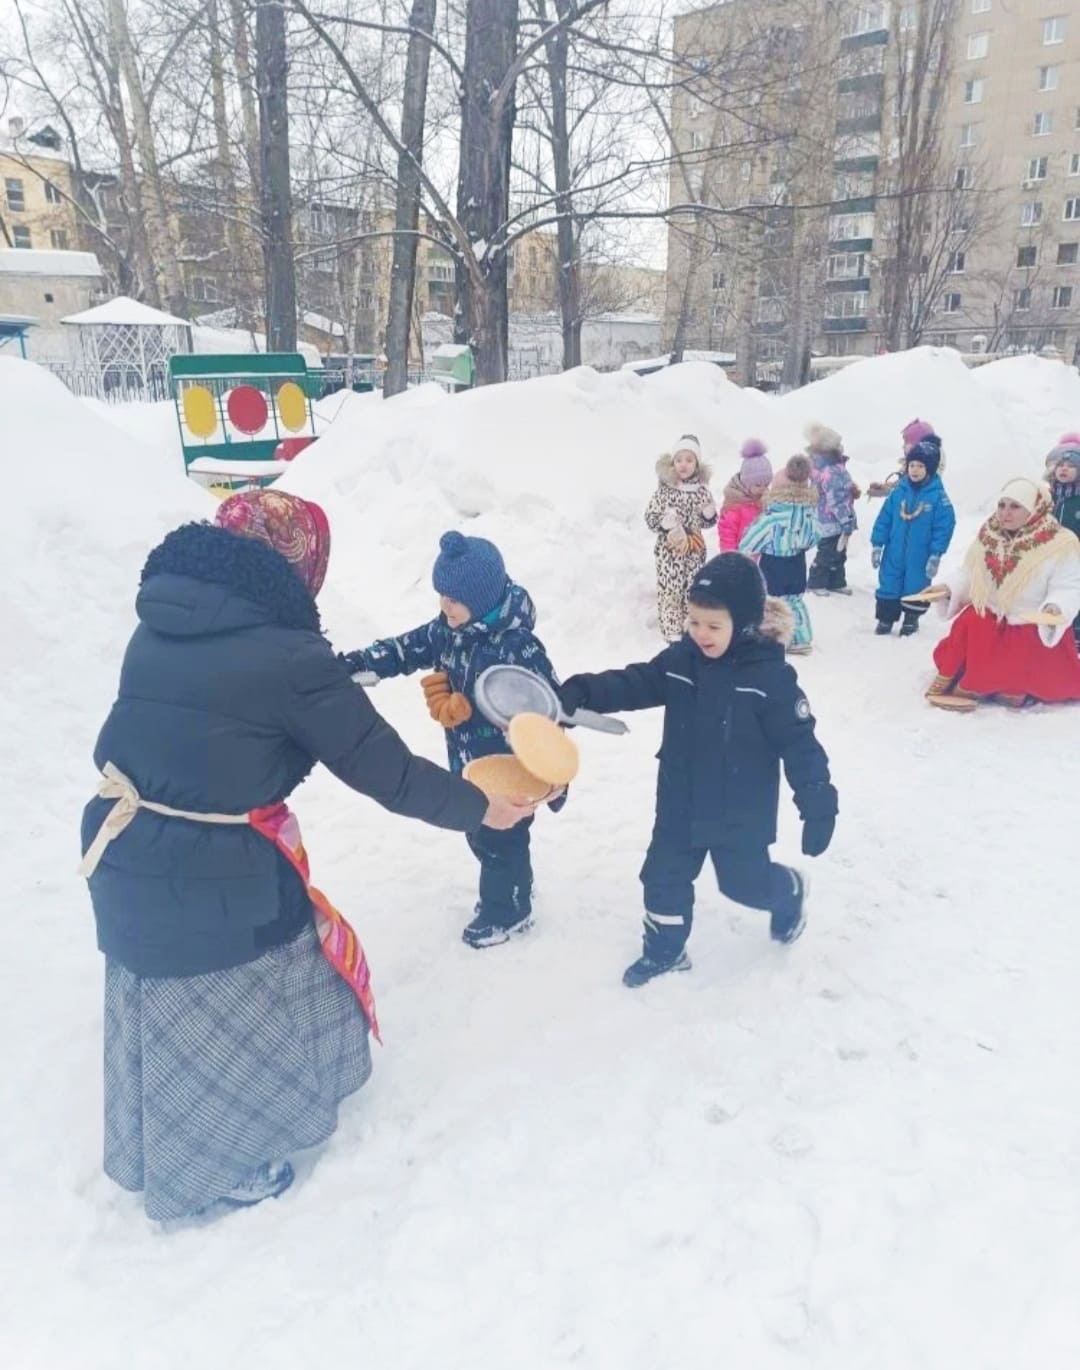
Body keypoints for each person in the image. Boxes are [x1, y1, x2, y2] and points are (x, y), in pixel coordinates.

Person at [79, 492, 530, 1222]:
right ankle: (219, 1161)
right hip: (213, 869)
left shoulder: (161, 620)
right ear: (296, 565)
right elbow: (387, 771)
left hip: (122, 845)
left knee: (176, 999)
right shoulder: (289, 655)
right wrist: (482, 806)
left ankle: (173, 1131)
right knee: (236, 1002)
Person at [558, 554, 838, 988]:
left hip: (739, 811)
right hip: (681, 799)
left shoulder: (770, 680)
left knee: (743, 884)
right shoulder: (682, 660)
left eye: (713, 626)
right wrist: (586, 690)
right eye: (694, 622)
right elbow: (637, 681)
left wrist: (819, 803)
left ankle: (788, 891)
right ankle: (665, 951)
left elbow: (800, 745)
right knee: (662, 878)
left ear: (743, 624)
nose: (700, 634)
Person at [342, 530, 563, 949]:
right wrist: (358, 663)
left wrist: (551, 766)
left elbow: (551, 705)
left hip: (511, 766)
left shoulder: (516, 645)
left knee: (501, 839)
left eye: (454, 599)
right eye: (442, 596)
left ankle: (507, 911)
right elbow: (404, 649)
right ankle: (515, 885)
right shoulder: (446, 630)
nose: (445, 606)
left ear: (482, 599)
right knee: (480, 832)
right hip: (469, 762)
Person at [926, 478, 1080, 710]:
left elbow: (1068, 586)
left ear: (1033, 509)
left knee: (1021, 643)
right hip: (993, 616)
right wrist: (947, 588)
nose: (1005, 513)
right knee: (974, 619)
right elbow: (970, 573)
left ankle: (1007, 687)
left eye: (1015, 506)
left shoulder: (1060, 542)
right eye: (1002, 505)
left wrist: (1054, 608)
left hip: (1029, 620)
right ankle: (972, 679)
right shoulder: (990, 534)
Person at [870, 433, 956, 637]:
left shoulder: (938, 497)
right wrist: (877, 544)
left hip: (920, 554)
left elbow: (944, 526)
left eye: (920, 466)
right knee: (889, 582)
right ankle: (886, 618)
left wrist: (936, 553)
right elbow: (884, 518)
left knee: (916, 585)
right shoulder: (898, 492)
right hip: (894, 551)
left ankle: (911, 619)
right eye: (912, 465)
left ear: (930, 469)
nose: (915, 470)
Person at [739, 454, 821, 654]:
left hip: (773, 564)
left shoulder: (773, 517)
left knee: (772, 603)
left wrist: (745, 551)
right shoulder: (808, 514)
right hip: (797, 563)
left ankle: (775, 640)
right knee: (795, 601)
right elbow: (816, 536)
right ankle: (801, 638)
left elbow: (750, 541)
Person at [643, 434, 717, 642]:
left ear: (697, 464)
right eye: (679, 460)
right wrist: (663, 523)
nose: (683, 465)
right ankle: (671, 629)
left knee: (692, 588)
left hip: (694, 549)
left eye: (689, 460)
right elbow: (650, 517)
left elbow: (707, 523)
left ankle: (689, 625)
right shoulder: (665, 491)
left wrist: (708, 515)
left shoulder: (701, 491)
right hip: (670, 551)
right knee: (671, 588)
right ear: (672, 463)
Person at [804, 423, 859, 597]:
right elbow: (837, 499)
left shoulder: (825, 467)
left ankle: (836, 581)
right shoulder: (831, 470)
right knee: (828, 553)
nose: (841, 447)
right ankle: (816, 582)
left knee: (839, 553)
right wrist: (846, 520)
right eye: (838, 444)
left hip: (827, 518)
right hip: (832, 519)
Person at [1046, 435, 1080, 646]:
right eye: (1061, 465)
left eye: (1071, 466)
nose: (1064, 469)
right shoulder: (1047, 497)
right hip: (1049, 556)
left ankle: (1076, 635)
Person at [718, 439, 772, 551]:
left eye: (766, 484)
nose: (762, 488)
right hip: (740, 555)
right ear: (746, 483)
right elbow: (727, 532)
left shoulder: (765, 500)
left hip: (760, 554)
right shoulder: (735, 505)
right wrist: (730, 555)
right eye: (758, 485)